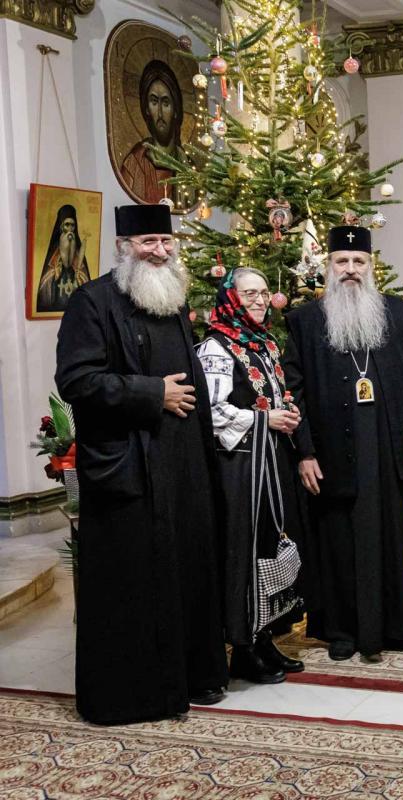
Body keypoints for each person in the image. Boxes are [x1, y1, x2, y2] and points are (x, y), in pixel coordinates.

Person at [55, 203, 227, 724]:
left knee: (185, 569)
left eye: (166, 241)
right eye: (148, 241)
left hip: (182, 464)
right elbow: (77, 381)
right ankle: (137, 695)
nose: (159, 250)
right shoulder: (91, 301)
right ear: (123, 247)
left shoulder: (171, 298)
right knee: (136, 581)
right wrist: (153, 393)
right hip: (128, 467)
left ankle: (192, 675)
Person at [283, 225, 403, 663]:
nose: (350, 269)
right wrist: (305, 451)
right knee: (338, 540)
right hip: (331, 450)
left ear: (370, 265)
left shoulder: (397, 314)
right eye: (341, 261)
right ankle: (341, 630)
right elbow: (293, 391)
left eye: (358, 261)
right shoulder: (306, 320)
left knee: (387, 535)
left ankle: (392, 626)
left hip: (385, 445)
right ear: (329, 266)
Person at [198, 268, 307, 685]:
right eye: (249, 294)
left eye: (264, 293)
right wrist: (265, 419)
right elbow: (211, 411)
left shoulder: (263, 342)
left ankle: (263, 638)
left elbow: (275, 395)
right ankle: (242, 647)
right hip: (240, 466)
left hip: (271, 460)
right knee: (245, 550)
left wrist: (286, 412)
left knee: (268, 545)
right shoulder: (217, 347)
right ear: (231, 299)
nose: (260, 301)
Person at [119, 60, 188, 206]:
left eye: (166, 103)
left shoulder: (187, 166)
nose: (160, 113)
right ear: (146, 109)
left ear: (176, 109)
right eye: (154, 102)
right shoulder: (134, 164)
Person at [36, 204, 91, 313]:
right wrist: (56, 270)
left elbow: (81, 271)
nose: (70, 229)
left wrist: (78, 273)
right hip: (57, 289)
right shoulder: (56, 247)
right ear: (61, 226)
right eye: (67, 225)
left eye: (72, 225)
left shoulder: (76, 244)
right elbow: (50, 274)